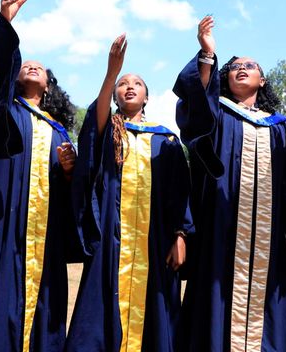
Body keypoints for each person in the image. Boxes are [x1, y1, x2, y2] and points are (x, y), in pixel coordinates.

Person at [173, 16, 286, 352]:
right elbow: (196, 109)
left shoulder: (282, 128)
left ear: (262, 80)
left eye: (249, 66)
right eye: (234, 67)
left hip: (268, 239)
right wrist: (207, 55)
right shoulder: (218, 116)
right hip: (220, 231)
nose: (241, 69)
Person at [0, 0, 78, 351]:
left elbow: (74, 194)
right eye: (27, 65)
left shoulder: (59, 132)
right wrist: (4, 24)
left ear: (49, 86)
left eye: (40, 68)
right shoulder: (3, 110)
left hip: (43, 232)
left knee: (39, 302)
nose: (33, 67)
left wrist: (71, 171)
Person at [65, 34, 193, 352]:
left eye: (137, 83)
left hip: (156, 239)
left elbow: (180, 193)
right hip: (111, 238)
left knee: (156, 314)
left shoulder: (166, 140)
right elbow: (94, 123)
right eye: (123, 84)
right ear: (115, 96)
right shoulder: (109, 131)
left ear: (147, 97)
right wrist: (112, 72)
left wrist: (180, 235)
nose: (129, 86)